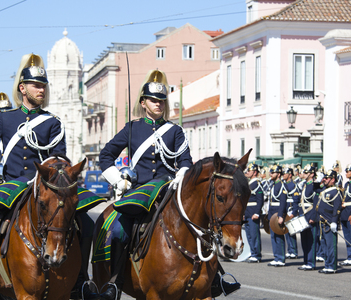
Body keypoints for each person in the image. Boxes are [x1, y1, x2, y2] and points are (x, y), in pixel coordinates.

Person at [98, 69, 240, 300]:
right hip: (140, 192)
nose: (158, 105)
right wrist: (119, 180)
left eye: (162, 101)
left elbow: (185, 161)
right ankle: (114, 281)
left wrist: (181, 178)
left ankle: (215, 279)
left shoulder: (175, 131)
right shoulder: (132, 129)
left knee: (201, 229)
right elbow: (106, 156)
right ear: (143, 103)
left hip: (169, 188)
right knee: (117, 231)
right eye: (154, 100)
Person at [0, 53, 68, 300]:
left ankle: (82, 281)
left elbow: (59, 158)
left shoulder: (52, 123)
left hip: (41, 188)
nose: (41, 90)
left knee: (83, 223)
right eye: (36, 85)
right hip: (10, 188)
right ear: (23, 88)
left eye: (43, 85)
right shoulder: (6, 119)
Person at [316, 169, 343, 274]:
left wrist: (335, 221)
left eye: (327, 178)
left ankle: (332, 266)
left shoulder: (336, 191)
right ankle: (327, 265)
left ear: (333, 180)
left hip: (329, 222)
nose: (325, 180)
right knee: (324, 245)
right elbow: (314, 189)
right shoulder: (324, 189)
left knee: (331, 246)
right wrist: (319, 181)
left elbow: (337, 208)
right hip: (322, 222)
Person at [297, 164, 322, 271]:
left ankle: (311, 263)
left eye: (306, 173)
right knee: (304, 239)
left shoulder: (315, 186)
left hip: (310, 215)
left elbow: (316, 203)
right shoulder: (305, 185)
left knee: (311, 240)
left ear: (312, 174)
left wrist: (314, 217)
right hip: (303, 215)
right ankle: (306, 261)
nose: (304, 174)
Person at [267, 165, 288, 267]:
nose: (270, 174)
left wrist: (281, 216)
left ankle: (281, 258)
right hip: (271, 213)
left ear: (278, 174)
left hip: (277, 214)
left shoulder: (281, 185)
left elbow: (282, 203)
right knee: (273, 237)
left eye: (273, 172)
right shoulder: (273, 184)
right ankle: (276, 257)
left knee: (279, 236)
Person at [244, 163, 264, 263]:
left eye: (249, 170)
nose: (247, 172)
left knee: (254, 234)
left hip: (253, 213)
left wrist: (257, 213)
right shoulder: (249, 183)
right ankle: (252, 252)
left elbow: (260, 200)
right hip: (247, 212)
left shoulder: (257, 184)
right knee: (249, 235)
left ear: (254, 172)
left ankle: (256, 254)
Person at [282, 166, 299, 259]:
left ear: (290, 175)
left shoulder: (293, 185)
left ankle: (294, 251)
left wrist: (294, 212)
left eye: (285, 173)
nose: (283, 175)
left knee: (291, 232)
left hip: (290, 210)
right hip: (285, 210)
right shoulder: (284, 184)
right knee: (286, 231)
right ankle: (290, 250)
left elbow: (296, 200)